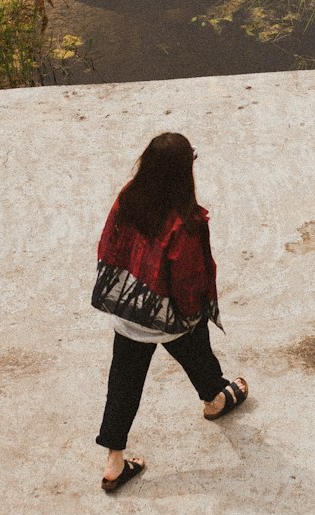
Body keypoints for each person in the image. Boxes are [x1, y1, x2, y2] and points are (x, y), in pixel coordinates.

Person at [92, 132, 248, 493]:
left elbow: (107, 244)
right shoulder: (185, 221)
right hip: (168, 318)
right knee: (199, 356)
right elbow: (188, 281)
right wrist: (193, 315)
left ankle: (114, 461)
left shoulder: (129, 196)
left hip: (129, 312)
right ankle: (215, 400)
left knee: (123, 386)